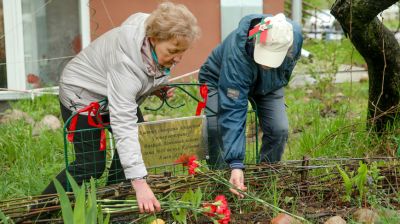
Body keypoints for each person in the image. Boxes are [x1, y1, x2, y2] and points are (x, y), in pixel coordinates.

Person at [42, 2, 200, 213]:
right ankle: (42, 207)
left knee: (140, 138)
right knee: (91, 165)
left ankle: (112, 203)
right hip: (81, 95)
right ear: (153, 39)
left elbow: (146, 74)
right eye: (173, 51)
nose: (179, 58)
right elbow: (123, 123)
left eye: (182, 52)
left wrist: (156, 87)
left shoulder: (155, 37)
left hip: (110, 93)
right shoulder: (125, 63)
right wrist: (140, 182)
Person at [199, 13, 303, 197]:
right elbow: (233, 111)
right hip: (219, 78)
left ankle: (265, 177)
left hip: (268, 83)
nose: (267, 63)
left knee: (279, 129)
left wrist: (271, 78)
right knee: (215, 126)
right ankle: (224, 178)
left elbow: (287, 69)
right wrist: (237, 164)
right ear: (255, 41)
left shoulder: (294, 36)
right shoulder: (237, 54)